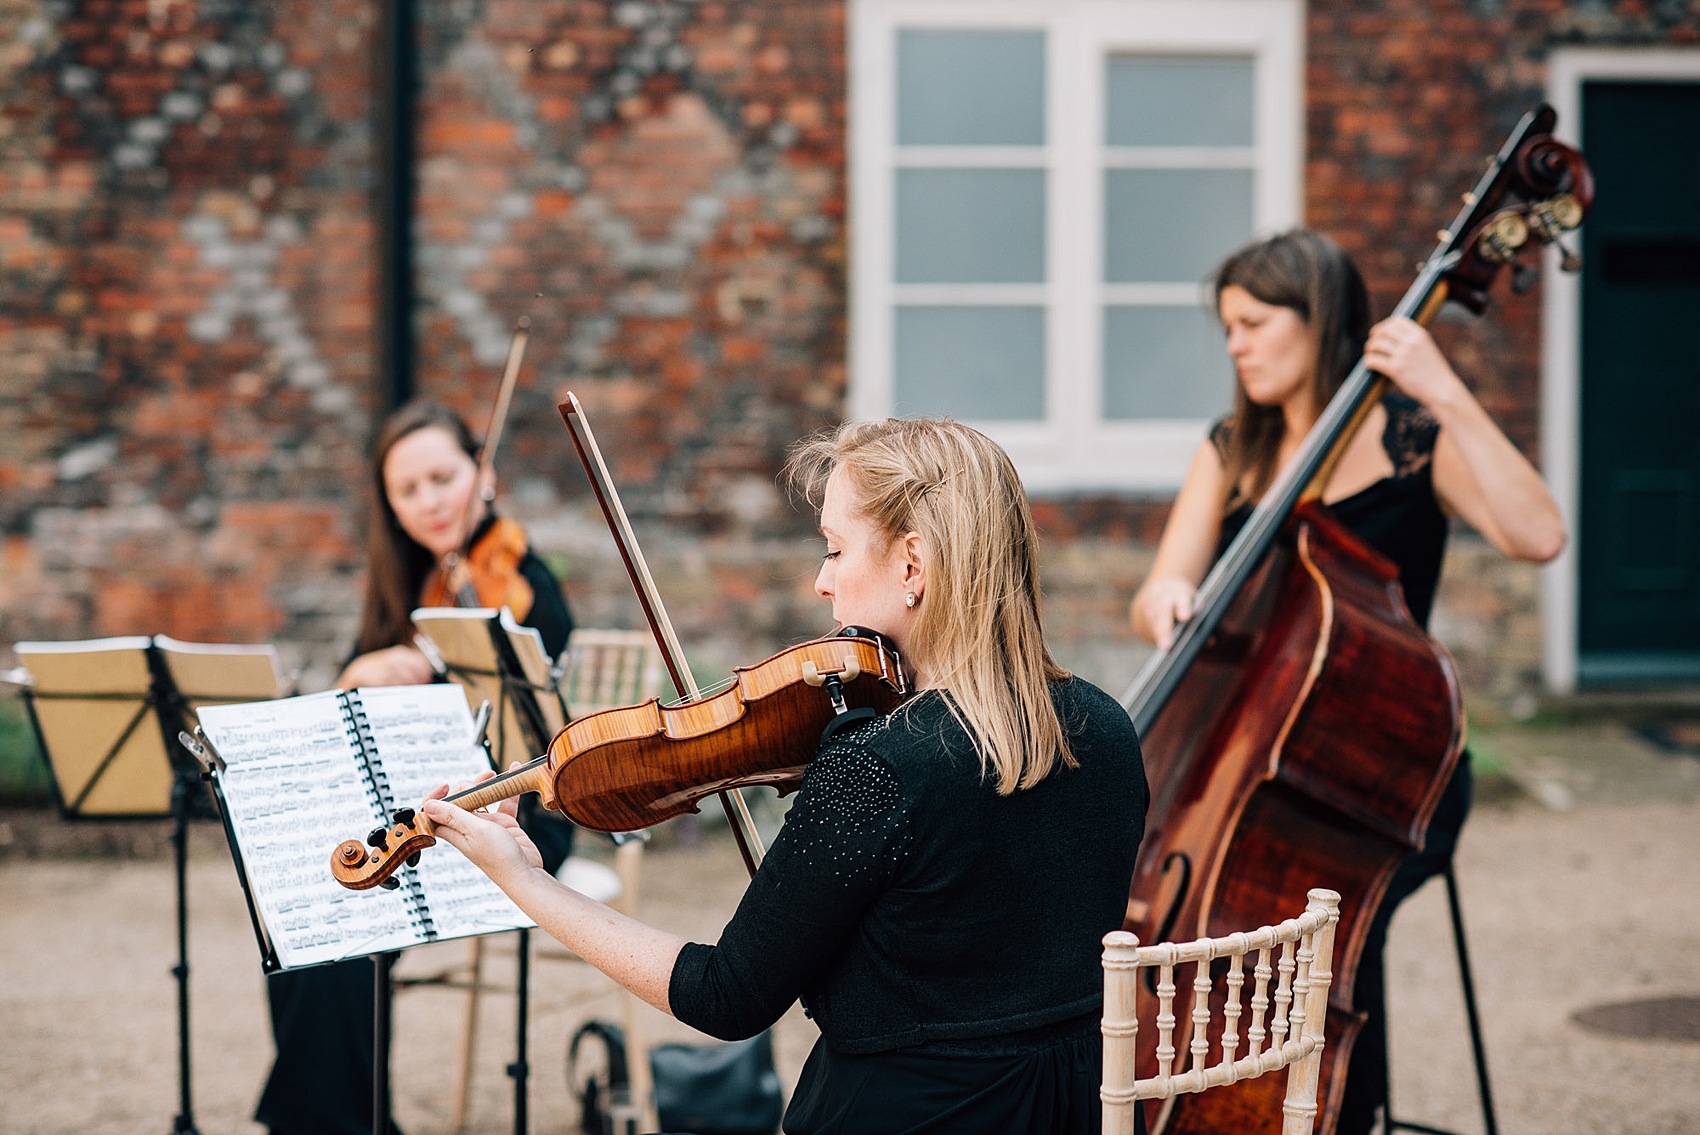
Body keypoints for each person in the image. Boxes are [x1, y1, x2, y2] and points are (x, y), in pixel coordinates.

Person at [423, 417, 1150, 1135]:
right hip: (1076, 1109)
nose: (821, 580)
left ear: (913, 565)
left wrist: (525, 879)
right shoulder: (1109, 730)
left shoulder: (878, 769)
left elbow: (726, 994)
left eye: (835, 550)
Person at [1127, 229, 1564, 1135]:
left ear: (1315, 320)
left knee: (1323, 928)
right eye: (1228, 329)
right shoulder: (1231, 450)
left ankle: (1333, 1117)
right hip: (1251, 763)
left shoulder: (1413, 443)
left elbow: (1539, 535)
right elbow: (1157, 591)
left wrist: (1444, 390)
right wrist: (1168, 594)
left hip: (1389, 776)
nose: (1237, 344)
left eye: (1253, 323)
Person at [256, 399, 576, 1135]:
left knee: (342, 911)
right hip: (418, 812)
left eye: (443, 477)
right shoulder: (405, 582)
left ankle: (329, 1120)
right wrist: (359, 670)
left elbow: (542, 667)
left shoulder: (525, 582)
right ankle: (339, 1117)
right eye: (408, 489)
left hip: (513, 816)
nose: (429, 500)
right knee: (306, 900)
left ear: (483, 473)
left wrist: (451, 648)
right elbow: (354, 716)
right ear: (390, 505)